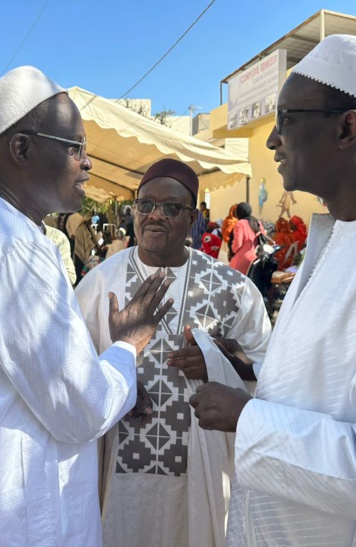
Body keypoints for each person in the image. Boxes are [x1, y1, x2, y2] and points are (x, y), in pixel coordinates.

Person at [190, 34, 356, 546]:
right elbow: (330, 389)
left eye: (288, 120)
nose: (272, 140)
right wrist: (248, 374)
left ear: (347, 128)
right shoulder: (339, 233)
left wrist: (249, 419)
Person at [0, 66, 174, 547]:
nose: (88, 163)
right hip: (13, 524)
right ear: (22, 149)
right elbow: (81, 407)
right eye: (75, 147)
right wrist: (127, 347)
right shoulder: (9, 248)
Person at [76, 158, 271, 547]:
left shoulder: (232, 289)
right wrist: (118, 387)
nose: (155, 216)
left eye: (172, 208)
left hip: (202, 473)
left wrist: (221, 364)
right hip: (117, 469)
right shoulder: (100, 284)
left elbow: (269, 374)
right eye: (145, 205)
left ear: (194, 216)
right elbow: (70, 370)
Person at [229, 202, 265, 275]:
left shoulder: (240, 223)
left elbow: (237, 243)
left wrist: (232, 250)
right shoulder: (257, 222)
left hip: (242, 260)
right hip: (256, 259)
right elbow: (263, 235)